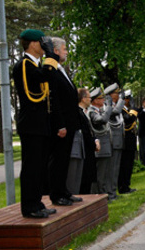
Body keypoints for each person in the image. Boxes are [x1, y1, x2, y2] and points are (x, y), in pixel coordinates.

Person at [13, 29, 59, 218]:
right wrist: (51, 56)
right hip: (31, 123)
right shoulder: (24, 65)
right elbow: (36, 89)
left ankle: (37, 202)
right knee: (32, 167)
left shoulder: (36, 65)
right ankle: (29, 206)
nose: (45, 46)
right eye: (42, 43)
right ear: (33, 44)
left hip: (40, 122)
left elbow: (46, 77)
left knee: (40, 166)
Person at [48, 37, 82, 206]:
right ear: (55, 51)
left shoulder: (60, 69)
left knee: (64, 159)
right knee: (58, 159)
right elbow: (55, 100)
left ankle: (64, 190)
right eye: (64, 48)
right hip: (61, 125)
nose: (67, 51)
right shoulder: (52, 70)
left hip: (69, 123)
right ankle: (56, 193)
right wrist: (60, 124)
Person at [67, 88, 98, 195]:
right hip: (84, 151)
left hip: (87, 151)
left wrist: (95, 140)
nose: (90, 100)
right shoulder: (78, 113)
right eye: (89, 97)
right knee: (82, 184)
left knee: (87, 183)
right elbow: (84, 133)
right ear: (83, 99)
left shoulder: (82, 113)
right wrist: (94, 144)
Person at [88, 87, 113, 198]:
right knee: (100, 174)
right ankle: (99, 196)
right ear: (95, 100)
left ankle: (103, 194)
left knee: (104, 173)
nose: (103, 100)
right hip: (100, 147)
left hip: (105, 146)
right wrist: (109, 107)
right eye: (101, 98)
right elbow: (102, 120)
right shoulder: (92, 112)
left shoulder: (98, 111)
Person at [105, 84, 125, 199]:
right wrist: (122, 100)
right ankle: (110, 193)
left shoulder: (113, 105)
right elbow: (116, 112)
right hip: (112, 141)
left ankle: (113, 191)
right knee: (111, 169)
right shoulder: (107, 106)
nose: (118, 96)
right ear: (111, 95)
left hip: (117, 141)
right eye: (116, 93)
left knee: (115, 169)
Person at [118, 90, 138, 194]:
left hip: (130, 141)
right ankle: (123, 187)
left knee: (129, 165)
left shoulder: (126, 110)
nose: (129, 101)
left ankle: (127, 185)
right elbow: (128, 120)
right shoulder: (121, 110)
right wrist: (134, 109)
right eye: (128, 99)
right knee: (125, 165)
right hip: (125, 142)